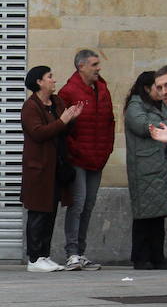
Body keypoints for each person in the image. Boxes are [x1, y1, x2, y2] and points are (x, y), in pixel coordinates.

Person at [20, 66, 80, 273]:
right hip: (38, 168)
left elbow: (64, 131)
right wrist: (63, 121)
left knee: (50, 212)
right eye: (50, 77)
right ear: (39, 82)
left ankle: (44, 255)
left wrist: (71, 119)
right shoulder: (30, 106)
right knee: (38, 212)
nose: (54, 80)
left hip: (56, 166)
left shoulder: (56, 102)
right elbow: (38, 133)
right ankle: (34, 258)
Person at [57, 49, 113, 271]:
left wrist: (107, 150)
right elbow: (63, 127)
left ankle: (80, 252)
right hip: (78, 159)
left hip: (97, 158)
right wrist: (75, 150)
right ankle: (71, 253)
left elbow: (110, 122)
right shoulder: (69, 92)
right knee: (78, 204)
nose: (99, 68)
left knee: (89, 205)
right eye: (94, 64)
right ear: (81, 66)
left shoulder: (103, 90)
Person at [124, 70, 167, 270]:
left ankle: (157, 257)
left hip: (161, 166)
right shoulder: (135, 106)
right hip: (144, 168)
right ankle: (141, 257)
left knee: (158, 215)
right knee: (144, 215)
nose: (161, 91)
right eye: (157, 87)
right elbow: (145, 127)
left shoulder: (162, 105)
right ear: (146, 88)